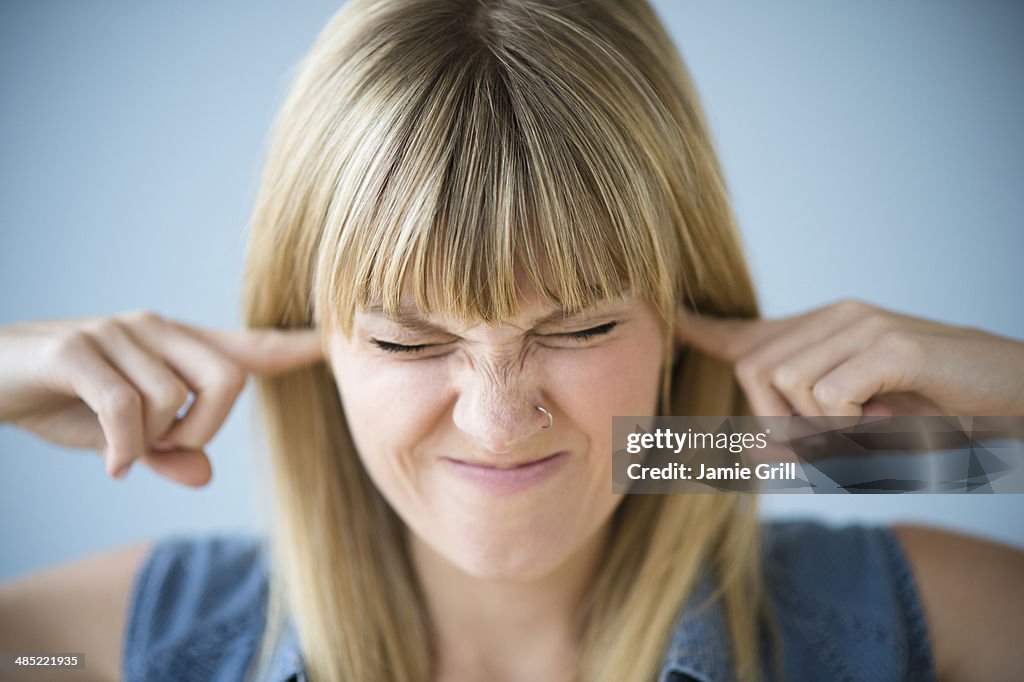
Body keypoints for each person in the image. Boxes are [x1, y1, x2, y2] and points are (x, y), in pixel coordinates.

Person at [1, 0, 1022, 680]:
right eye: (407, 340)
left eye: (579, 327)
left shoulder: (904, 623)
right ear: (309, 336)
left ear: (675, 322)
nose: (498, 421)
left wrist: (1009, 414)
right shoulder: (130, 645)